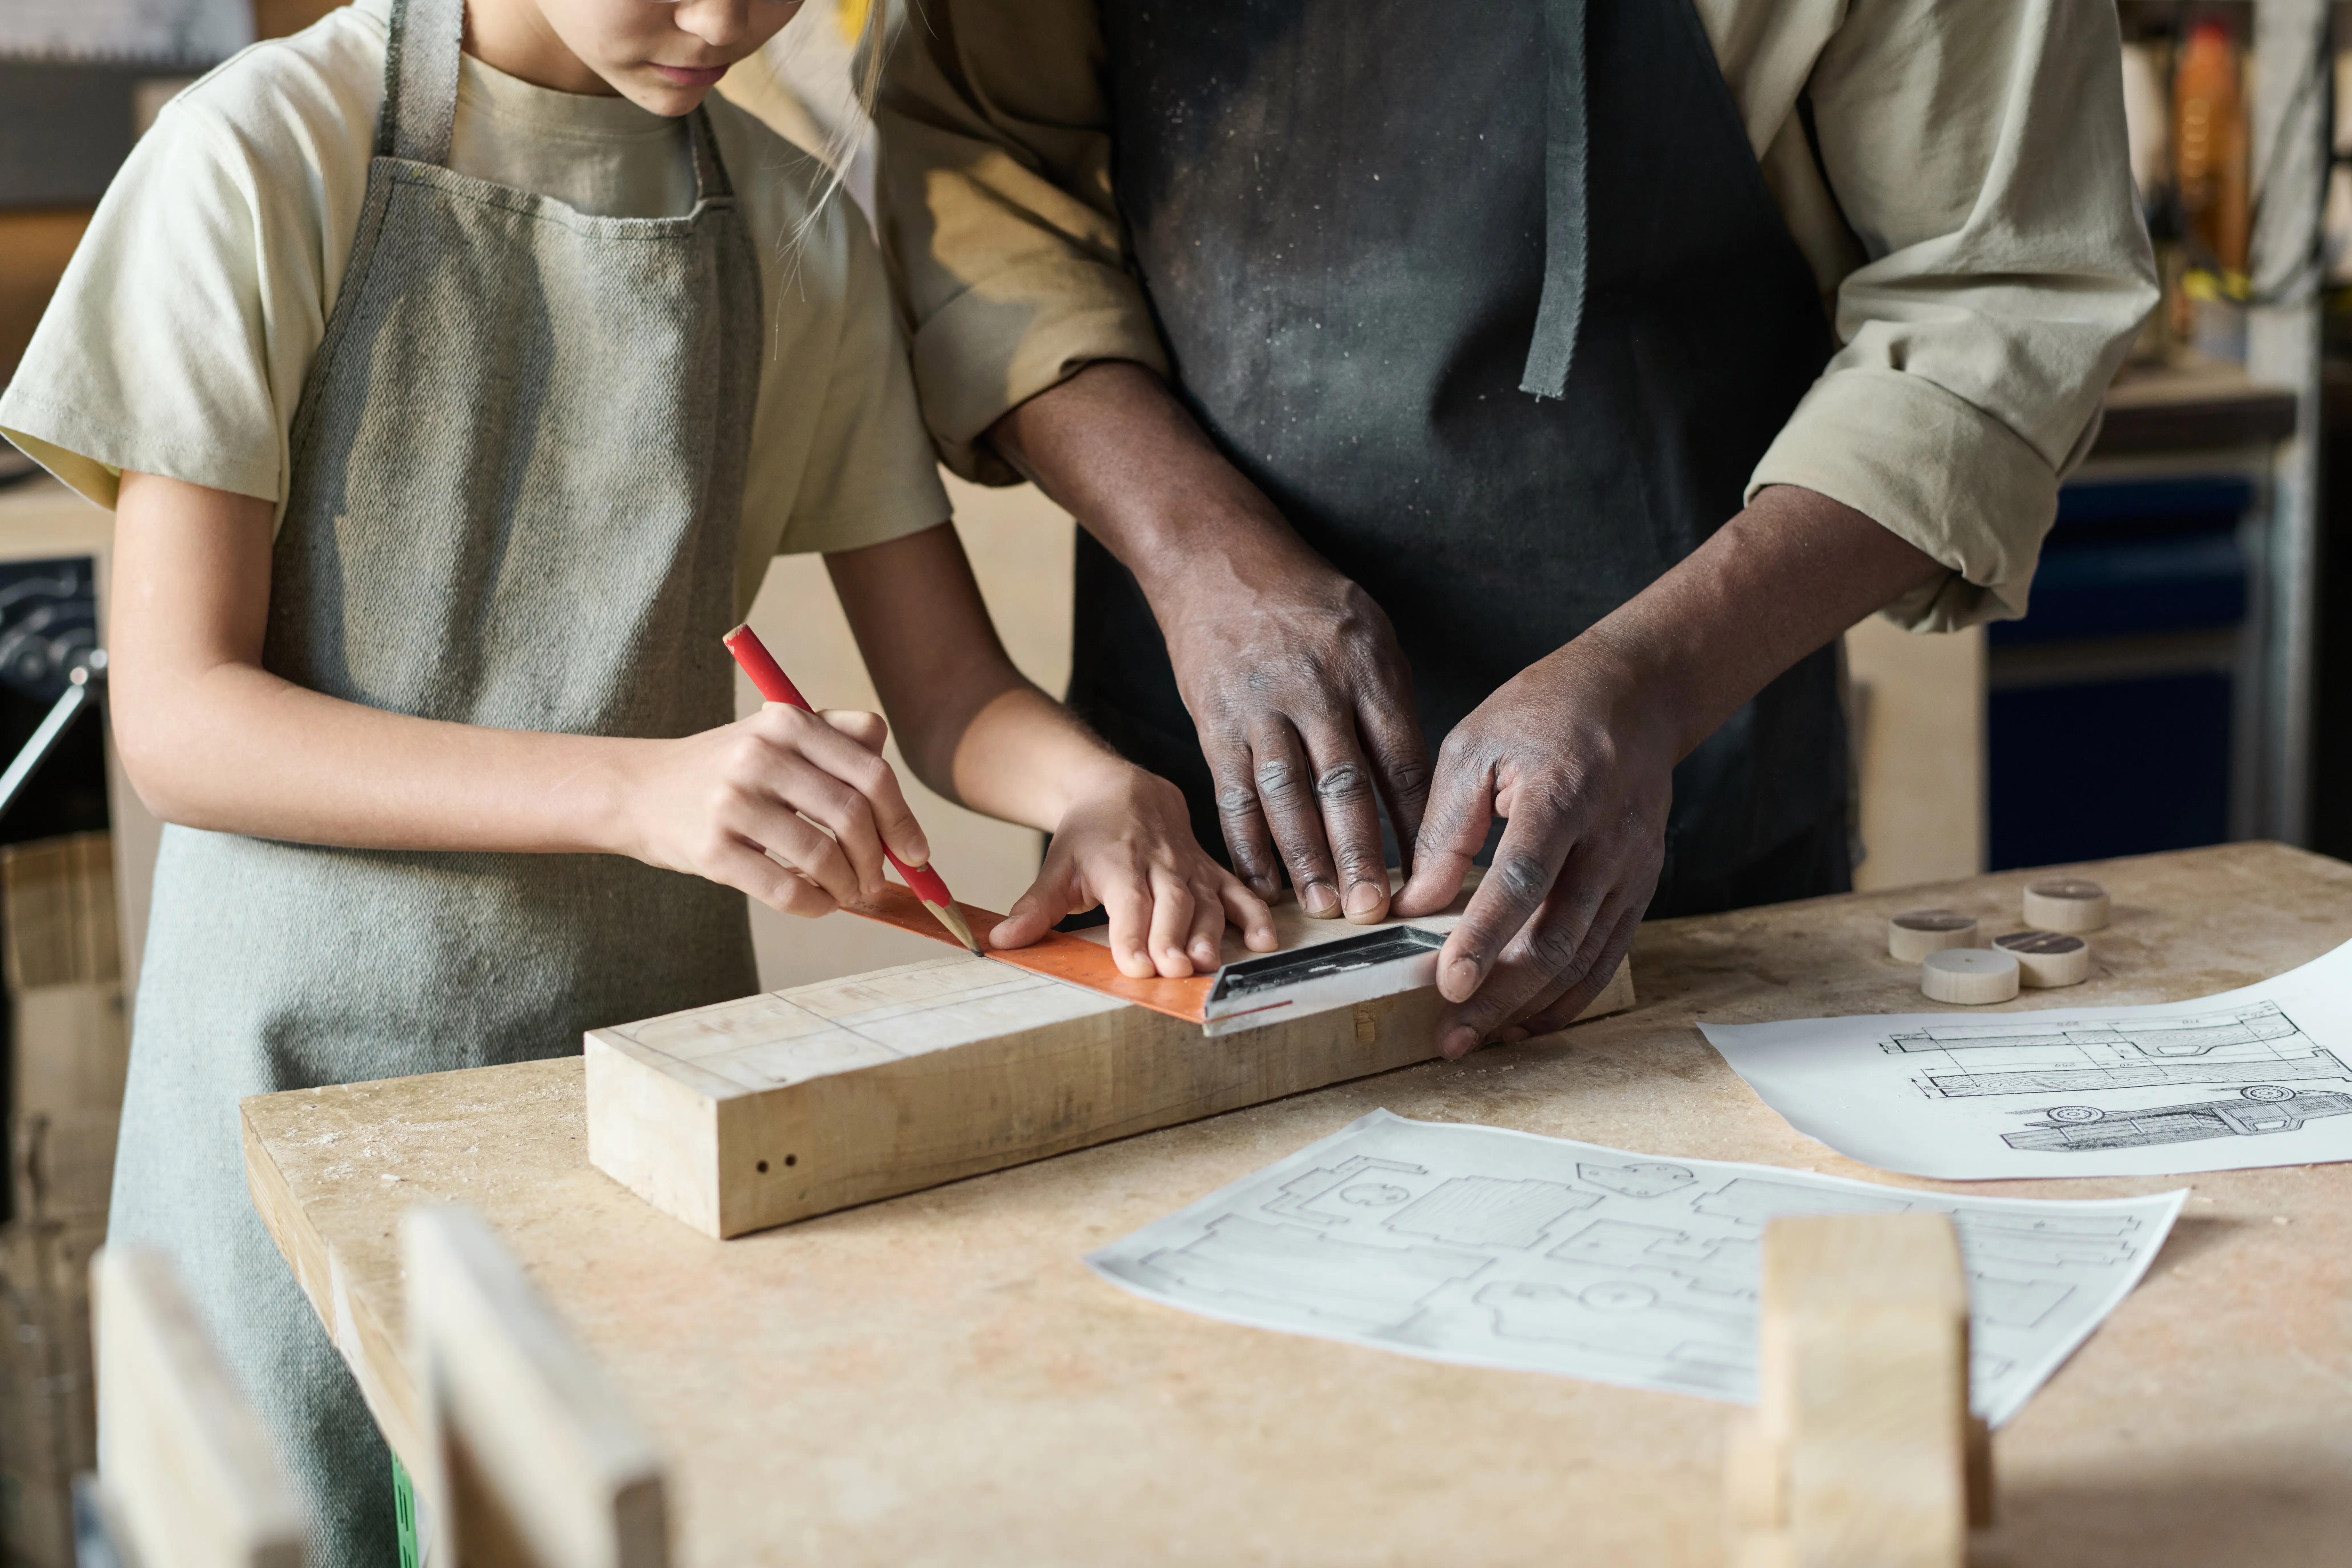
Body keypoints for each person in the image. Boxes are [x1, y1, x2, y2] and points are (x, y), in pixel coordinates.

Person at [0, 0, 1272, 1556]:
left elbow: (952, 697)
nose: (725, 21)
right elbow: (185, 726)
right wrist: (640, 794)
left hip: (649, 1122)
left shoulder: (791, 221)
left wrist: (1091, 787)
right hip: (284, 1104)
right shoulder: (264, 155)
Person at [875, 0, 2160, 1058]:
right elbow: (982, 182)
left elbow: (2001, 301)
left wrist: (1656, 682)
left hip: (1690, 817)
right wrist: (1195, 549)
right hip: (1199, 834)